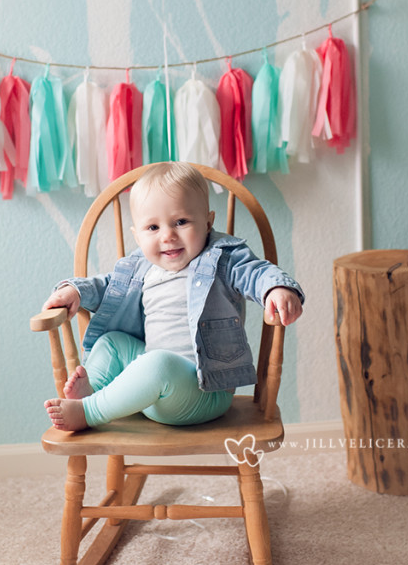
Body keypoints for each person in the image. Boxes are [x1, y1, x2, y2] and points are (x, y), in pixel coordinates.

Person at [43, 162, 304, 432]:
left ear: (208, 222)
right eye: (153, 228)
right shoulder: (139, 268)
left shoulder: (222, 259)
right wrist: (74, 290)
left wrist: (275, 288)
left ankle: (90, 411)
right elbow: (106, 286)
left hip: (204, 392)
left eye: (181, 222)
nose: (167, 235)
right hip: (148, 390)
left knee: (157, 363)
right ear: (137, 235)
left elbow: (257, 273)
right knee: (112, 343)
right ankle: (95, 390)